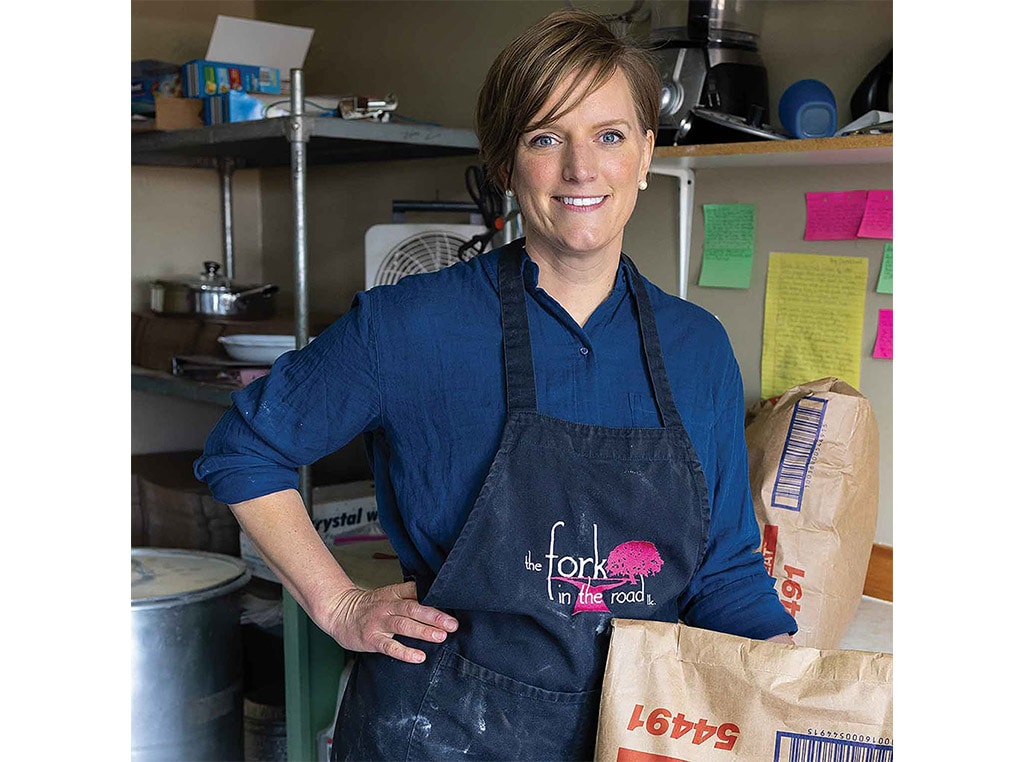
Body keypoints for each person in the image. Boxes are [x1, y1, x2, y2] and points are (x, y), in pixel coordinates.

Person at [195, 9, 796, 761]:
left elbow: (725, 568)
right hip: (437, 733)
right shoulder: (410, 325)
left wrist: (805, 700)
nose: (582, 168)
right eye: (547, 137)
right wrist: (339, 601)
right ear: (507, 164)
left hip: (635, 733)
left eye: (610, 136)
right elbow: (243, 447)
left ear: (646, 154)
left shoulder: (697, 348)